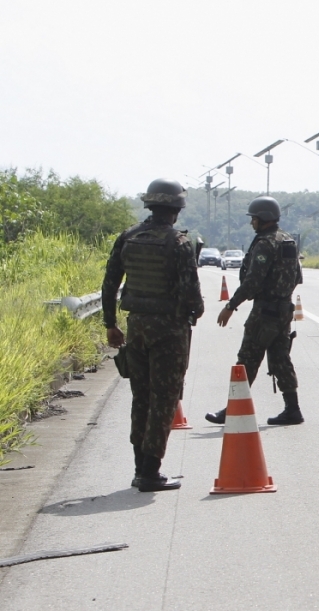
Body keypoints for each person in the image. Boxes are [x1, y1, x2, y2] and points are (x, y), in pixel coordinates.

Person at [102, 179, 203, 492]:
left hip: (137, 328)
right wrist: (194, 312)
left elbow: (110, 283)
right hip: (169, 331)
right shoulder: (179, 243)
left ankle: (139, 468)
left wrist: (110, 324)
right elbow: (192, 294)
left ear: (150, 204)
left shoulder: (128, 237)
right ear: (176, 209)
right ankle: (150, 471)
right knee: (165, 398)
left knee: (141, 397)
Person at [205, 196, 305, 426]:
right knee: (280, 358)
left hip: (265, 311)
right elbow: (297, 277)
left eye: (254, 219)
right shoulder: (287, 240)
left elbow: (253, 282)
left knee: (247, 358)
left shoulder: (265, 243)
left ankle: (232, 409)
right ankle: (292, 409)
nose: (252, 223)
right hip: (283, 309)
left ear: (264, 218)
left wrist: (231, 305)